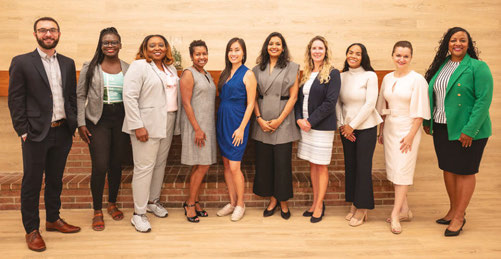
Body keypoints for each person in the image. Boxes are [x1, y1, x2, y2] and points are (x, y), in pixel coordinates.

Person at [8, 17, 80, 252]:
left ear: (58, 33)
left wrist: (74, 123)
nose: (48, 34)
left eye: (52, 30)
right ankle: (32, 229)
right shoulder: (22, 62)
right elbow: (16, 100)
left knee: (55, 179)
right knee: (32, 182)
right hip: (35, 134)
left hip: (62, 131)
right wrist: (23, 130)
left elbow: (70, 97)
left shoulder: (68, 63)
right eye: (43, 30)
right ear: (35, 34)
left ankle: (53, 219)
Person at [423, 27, 493, 237]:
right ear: (447, 43)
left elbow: (483, 101)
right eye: (453, 40)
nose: (458, 44)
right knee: (448, 169)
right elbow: (433, 95)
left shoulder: (478, 67)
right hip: (443, 126)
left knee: (464, 171)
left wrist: (470, 130)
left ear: (469, 43)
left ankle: (459, 217)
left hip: (468, 129)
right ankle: (453, 209)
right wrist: (429, 121)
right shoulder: (442, 65)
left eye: (463, 40)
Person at [122, 34, 181, 232]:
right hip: (145, 124)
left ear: (166, 48)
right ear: (145, 48)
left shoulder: (170, 68)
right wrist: (137, 125)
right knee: (144, 167)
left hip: (168, 121)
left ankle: (152, 201)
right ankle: (138, 214)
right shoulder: (139, 66)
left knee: (159, 164)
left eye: (161, 45)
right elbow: (129, 96)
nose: (157, 48)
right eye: (152, 45)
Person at [76, 27, 129, 231]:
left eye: (114, 42)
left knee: (116, 165)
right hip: (97, 120)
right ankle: (97, 210)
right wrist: (81, 123)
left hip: (121, 120)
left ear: (120, 44)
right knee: (100, 165)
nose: (110, 45)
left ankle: (112, 203)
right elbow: (80, 96)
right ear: (100, 44)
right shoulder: (90, 66)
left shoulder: (128, 67)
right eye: (106, 42)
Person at [376, 41, 430, 234]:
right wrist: (381, 130)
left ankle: (396, 214)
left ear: (411, 58)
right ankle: (405, 210)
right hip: (390, 128)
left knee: (402, 172)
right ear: (393, 55)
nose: (401, 59)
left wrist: (410, 136)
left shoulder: (418, 80)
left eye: (405, 56)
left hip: (408, 130)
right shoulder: (388, 79)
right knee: (394, 171)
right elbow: (383, 107)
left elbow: (421, 112)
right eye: (398, 55)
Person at [251, 32, 300, 220]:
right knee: (266, 164)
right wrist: (259, 118)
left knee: (282, 165)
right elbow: (253, 97)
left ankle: (284, 201)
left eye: (278, 44)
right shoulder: (256, 69)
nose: (274, 47)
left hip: (284, 121)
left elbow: (294, 96)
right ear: (266, 46)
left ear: (283, 47)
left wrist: (279, 120)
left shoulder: (292, 67)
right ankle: (272, 200)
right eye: (271, 43)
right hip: (262, 120)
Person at [294, 36, 341, 223]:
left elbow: (330, 102)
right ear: (310, 51)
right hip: (306, 127)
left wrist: (310, 122)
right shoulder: (306, 73)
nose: (317, 51)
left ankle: (320, 205)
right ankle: (314, 202)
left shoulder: (333, 73)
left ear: (325, 51)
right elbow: (298, 99)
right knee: (312, 164)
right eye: (314, 48)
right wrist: (299, 119)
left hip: (321, 127)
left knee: (321, 165)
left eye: (320, 48)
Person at [336, 43, 382, 227]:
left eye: (358, 53)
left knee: (363, 167)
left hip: (366, 128)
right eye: (350, 52)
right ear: (346, 55)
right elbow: (337, 103)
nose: (353, 56)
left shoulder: (369, 76)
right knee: (351, 166)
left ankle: (363, 209)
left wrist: (353, 126)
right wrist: (343, 125)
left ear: (363, 57)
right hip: (346, 128)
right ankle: (354, 203)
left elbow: (370, 104)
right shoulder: (341, 76)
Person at [215, 37, 257, 221]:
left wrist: (241, 128)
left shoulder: (248, 74)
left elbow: (250, 104)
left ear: (244, 53)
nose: (233, 53)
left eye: (237, 50)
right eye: (231, 50)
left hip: (237, 122)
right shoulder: (225, 73)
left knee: (234, 166)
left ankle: (241, 203)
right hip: (223, 121)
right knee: (226, 164)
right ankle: (232, 202)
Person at [179, 40, 217, 223]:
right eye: (198, 54)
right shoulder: (188, 73)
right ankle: (190, 205)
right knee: (202, 165)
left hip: (206, 125)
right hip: (196, 127)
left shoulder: (206, 73)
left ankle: (193, 201)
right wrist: (197, 129)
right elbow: (186, 103)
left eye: (204, 53)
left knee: (199, 165)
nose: (201, 57)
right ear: (191, 56)